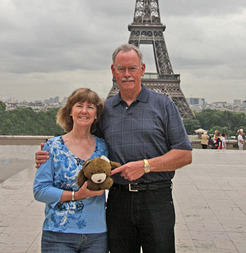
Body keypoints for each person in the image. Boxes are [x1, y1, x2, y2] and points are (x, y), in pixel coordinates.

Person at [36, 44, 192, 253]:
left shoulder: (164, 104)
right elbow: (83, 142)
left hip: (156, 198)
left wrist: (146, 166)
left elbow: (184, 154)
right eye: (121, 68)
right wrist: (49, 151)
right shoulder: (105, 110)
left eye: (132, 68)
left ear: (142, 69)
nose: (127, 74)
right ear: (113, 71)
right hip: (118, 200)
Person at [33, 88, 108, 253]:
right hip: (58, 234)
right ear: (70, 112)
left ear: (96, 114)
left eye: (90, 107)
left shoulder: (104, 147)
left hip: (96, 234)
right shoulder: (52, 147)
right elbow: (39, 190)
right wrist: (76, 196)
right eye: (79, 105)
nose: (84, 111)